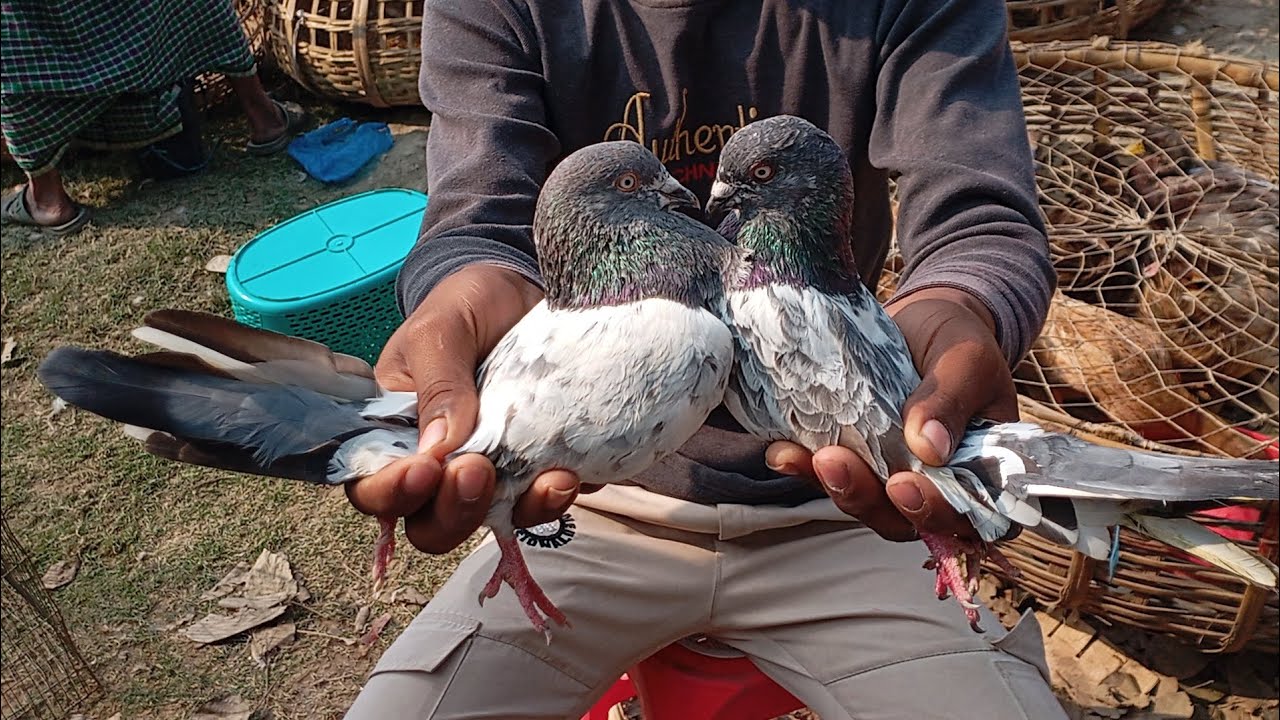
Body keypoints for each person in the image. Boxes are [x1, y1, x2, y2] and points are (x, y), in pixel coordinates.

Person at [345, 0, 1065, 717]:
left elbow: (979, 216)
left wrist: (960, 311)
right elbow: (479, 217)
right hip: (587, 499)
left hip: (847, 497)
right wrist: (462, 298)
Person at [0, 0, 306, 236]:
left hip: (68, 80)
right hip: (150, 56)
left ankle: (47, 198)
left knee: (11, 32)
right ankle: (263, 116)